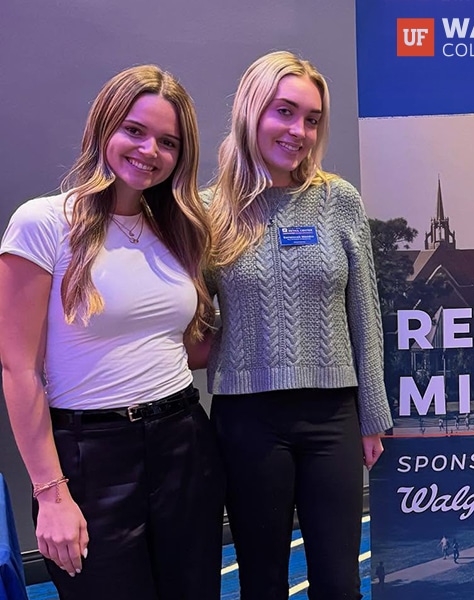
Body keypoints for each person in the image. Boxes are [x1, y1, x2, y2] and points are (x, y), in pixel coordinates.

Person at [0, 66, 224, 600]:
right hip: (89, 459)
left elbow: (190, 347)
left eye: (168, 142)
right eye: (135, 130)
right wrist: (51, 495)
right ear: (103, 127)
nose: (150, 150)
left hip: (184, 444)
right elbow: (19, 369)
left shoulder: (182, 231)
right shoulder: (43, 223)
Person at [203, 50, 393, 599]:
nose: (300, 131)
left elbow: (365, 312)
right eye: (285, 112)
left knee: (338, 583)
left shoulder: (337, 201)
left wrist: (371, 415)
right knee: (261, 582)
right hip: (247, 419)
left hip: (332, 415)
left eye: (312, 119)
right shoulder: (209, 210)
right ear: (251, 112)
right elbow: (190, 316)